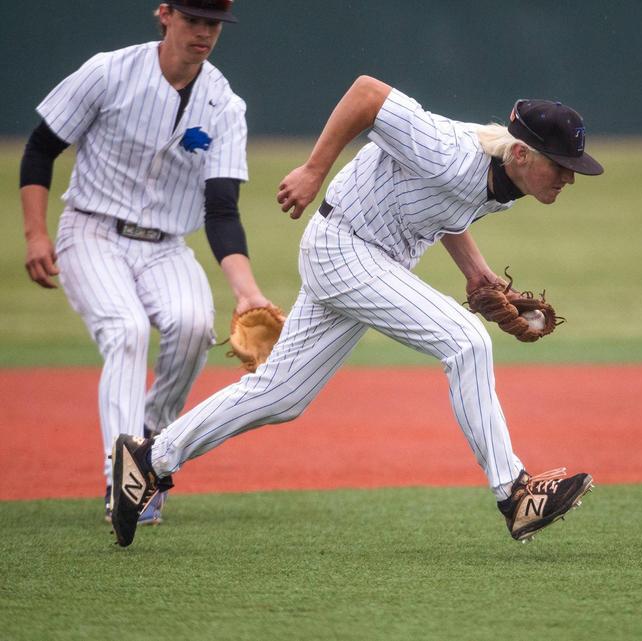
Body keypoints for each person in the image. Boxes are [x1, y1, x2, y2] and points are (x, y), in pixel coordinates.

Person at [108, 74, 603, 547]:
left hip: (364, 258)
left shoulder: (507, 185)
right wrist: (313, 170)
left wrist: (475, 271)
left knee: (281, 395)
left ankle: (150, 457)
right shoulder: (450, 149)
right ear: (520, 152)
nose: (568, 177)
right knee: (465, 340)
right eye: (560, 165)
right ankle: (514, 494)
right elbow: (366, 94)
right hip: (345, 247)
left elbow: (443, 205)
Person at [19, 1, 279, 525]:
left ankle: (150, 450)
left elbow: (221, 210)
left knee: (190, 325)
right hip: (91, 230)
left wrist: (247, 290)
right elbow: (40, 149)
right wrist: (35, 234)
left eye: (213, 24)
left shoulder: (223, 104)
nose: (204, 32)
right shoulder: (108, 72)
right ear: (165, 14)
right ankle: (122, 476)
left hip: (164, 245)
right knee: (127, 330)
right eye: (193, 19)